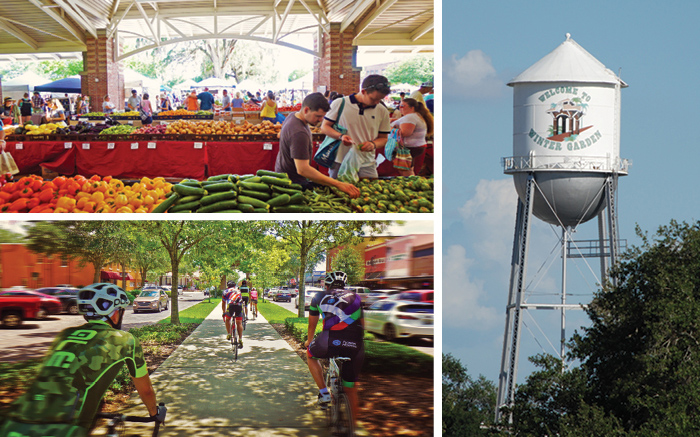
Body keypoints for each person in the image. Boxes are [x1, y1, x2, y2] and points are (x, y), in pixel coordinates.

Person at [0, 283, 164, 437]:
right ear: (115, 313)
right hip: (63, 428)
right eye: (121, 310)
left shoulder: (64, 335)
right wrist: (154, 414)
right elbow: (146, 390)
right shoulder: (125, 340)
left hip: (14, 422)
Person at [305, 271, 364, 425]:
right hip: (355, 345)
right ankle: (353, 428)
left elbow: (312, 325)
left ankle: (324, 393)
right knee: (351, 389)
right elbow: (363, 326)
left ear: (327, 285)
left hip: (329, 341)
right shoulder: (356, 297)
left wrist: (309, 341)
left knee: (310, 355)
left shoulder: (318, 297)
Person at [274, 92, 360, 198]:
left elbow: (281, 135)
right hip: (292, 184)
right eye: (318, 116)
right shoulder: (299, 133)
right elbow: (303, 169)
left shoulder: (293, 116)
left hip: (284, 174)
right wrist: (338, 184)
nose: (320, 120)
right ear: (306, 110)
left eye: (323, 117)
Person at [321, 74, 392, 180]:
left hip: (367, 162)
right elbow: (325, 127)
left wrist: (373, 144)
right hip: (340, 160)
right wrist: (341, 136)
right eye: (373, 99)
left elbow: (383, 138)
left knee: (370, 192)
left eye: (380, 99)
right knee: (338, 193)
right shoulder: (341, 103)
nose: (377, 102)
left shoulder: (382, 110)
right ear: (363, 91)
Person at [391, 97, 434, 175]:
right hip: (415, 146)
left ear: (412, 108)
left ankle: (410, 184)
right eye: (400, 105)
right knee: (408, 168)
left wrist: (390, 128)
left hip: (408, 146)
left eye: (403, 106)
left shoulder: (410, 117)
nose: (400, 108)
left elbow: (405, 133)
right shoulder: (415, 116)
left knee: (405, 170)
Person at [222, 281, 244, 348]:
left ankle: (229, 334)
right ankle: (240, 339)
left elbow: (223, 303)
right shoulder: (238, 290)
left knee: (228, 319)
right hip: (239, 306)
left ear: (227, 286)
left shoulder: (225, 292)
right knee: (239, 323)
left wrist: (224, 312)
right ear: (234, 286)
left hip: (231, 305)